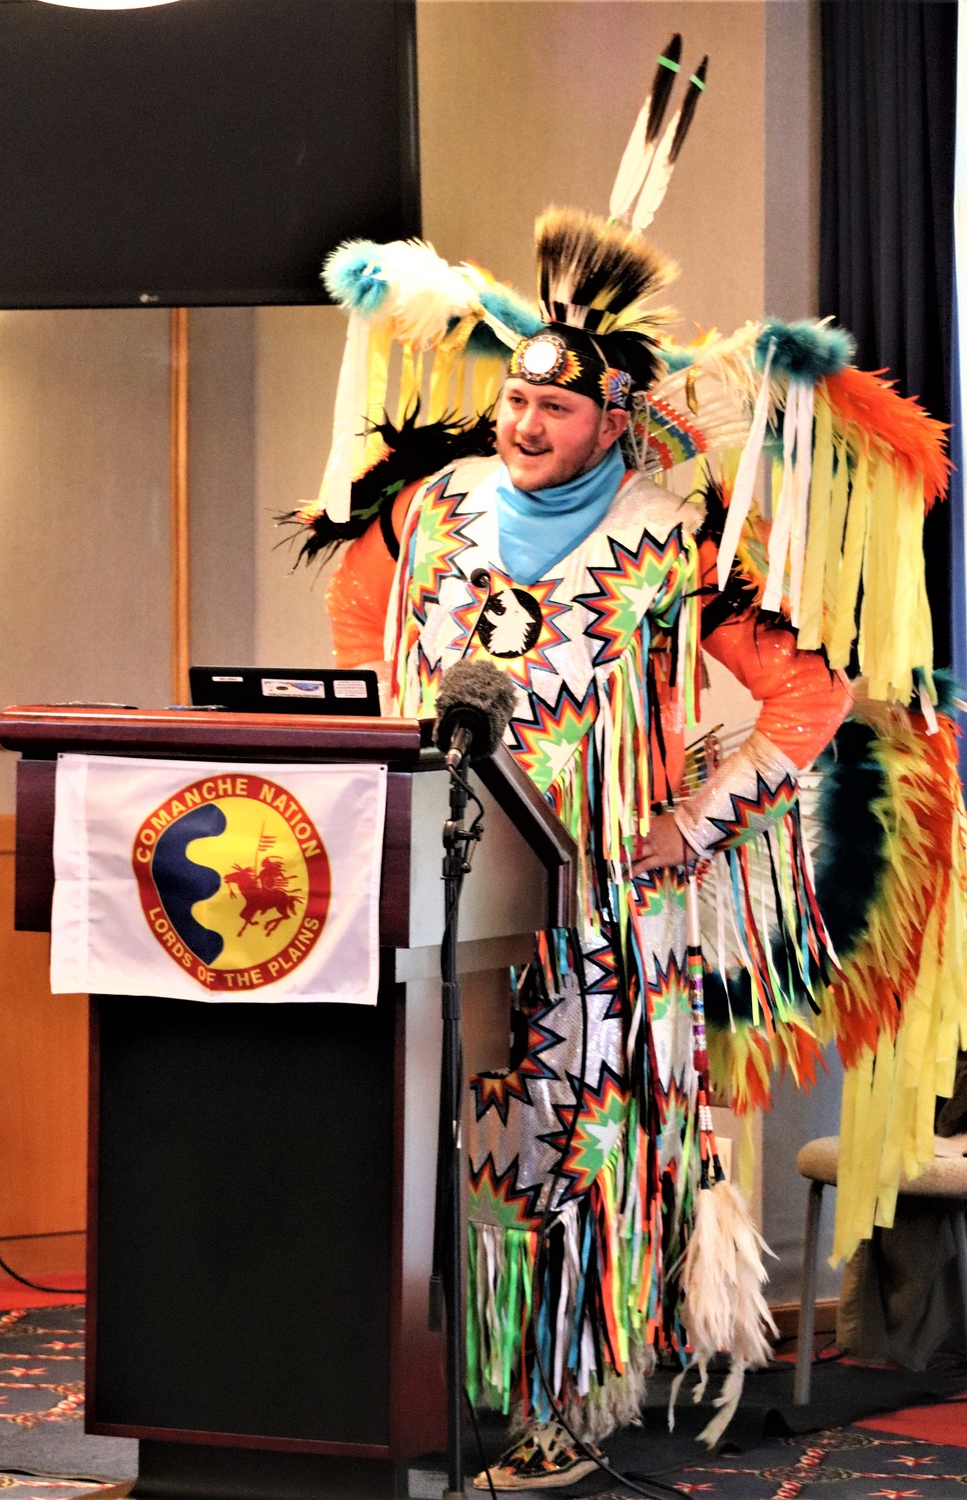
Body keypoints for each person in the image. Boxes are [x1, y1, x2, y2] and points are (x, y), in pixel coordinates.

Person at [315, 208, 852, 1483]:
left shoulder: (682, 536)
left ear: (613, 418)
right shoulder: (435, 507)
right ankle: (430, 1387)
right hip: (431, 891)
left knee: (568, 1144)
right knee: (427, 1139)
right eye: (513, 398)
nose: (521, 422)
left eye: (553, 410)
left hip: (598, 908)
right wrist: (371, 777)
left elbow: (808, 697)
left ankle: (564, 1399)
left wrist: (688, 823)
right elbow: (355, 633)